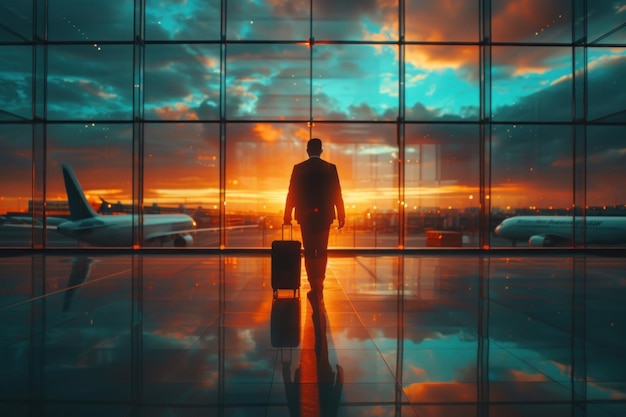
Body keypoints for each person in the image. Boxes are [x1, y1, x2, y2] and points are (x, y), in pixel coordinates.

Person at [283, 138, 345, 298]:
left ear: (307, 150)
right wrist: (341, 214)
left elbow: (292, 193)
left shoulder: (299, 168)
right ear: (321, 150)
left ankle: (312, 283)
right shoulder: (331, 168)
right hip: (325, 216)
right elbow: (337, 193)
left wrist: (287, 215)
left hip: (305, 216)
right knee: (322, 250)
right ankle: (320, 282)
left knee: (309, 250)